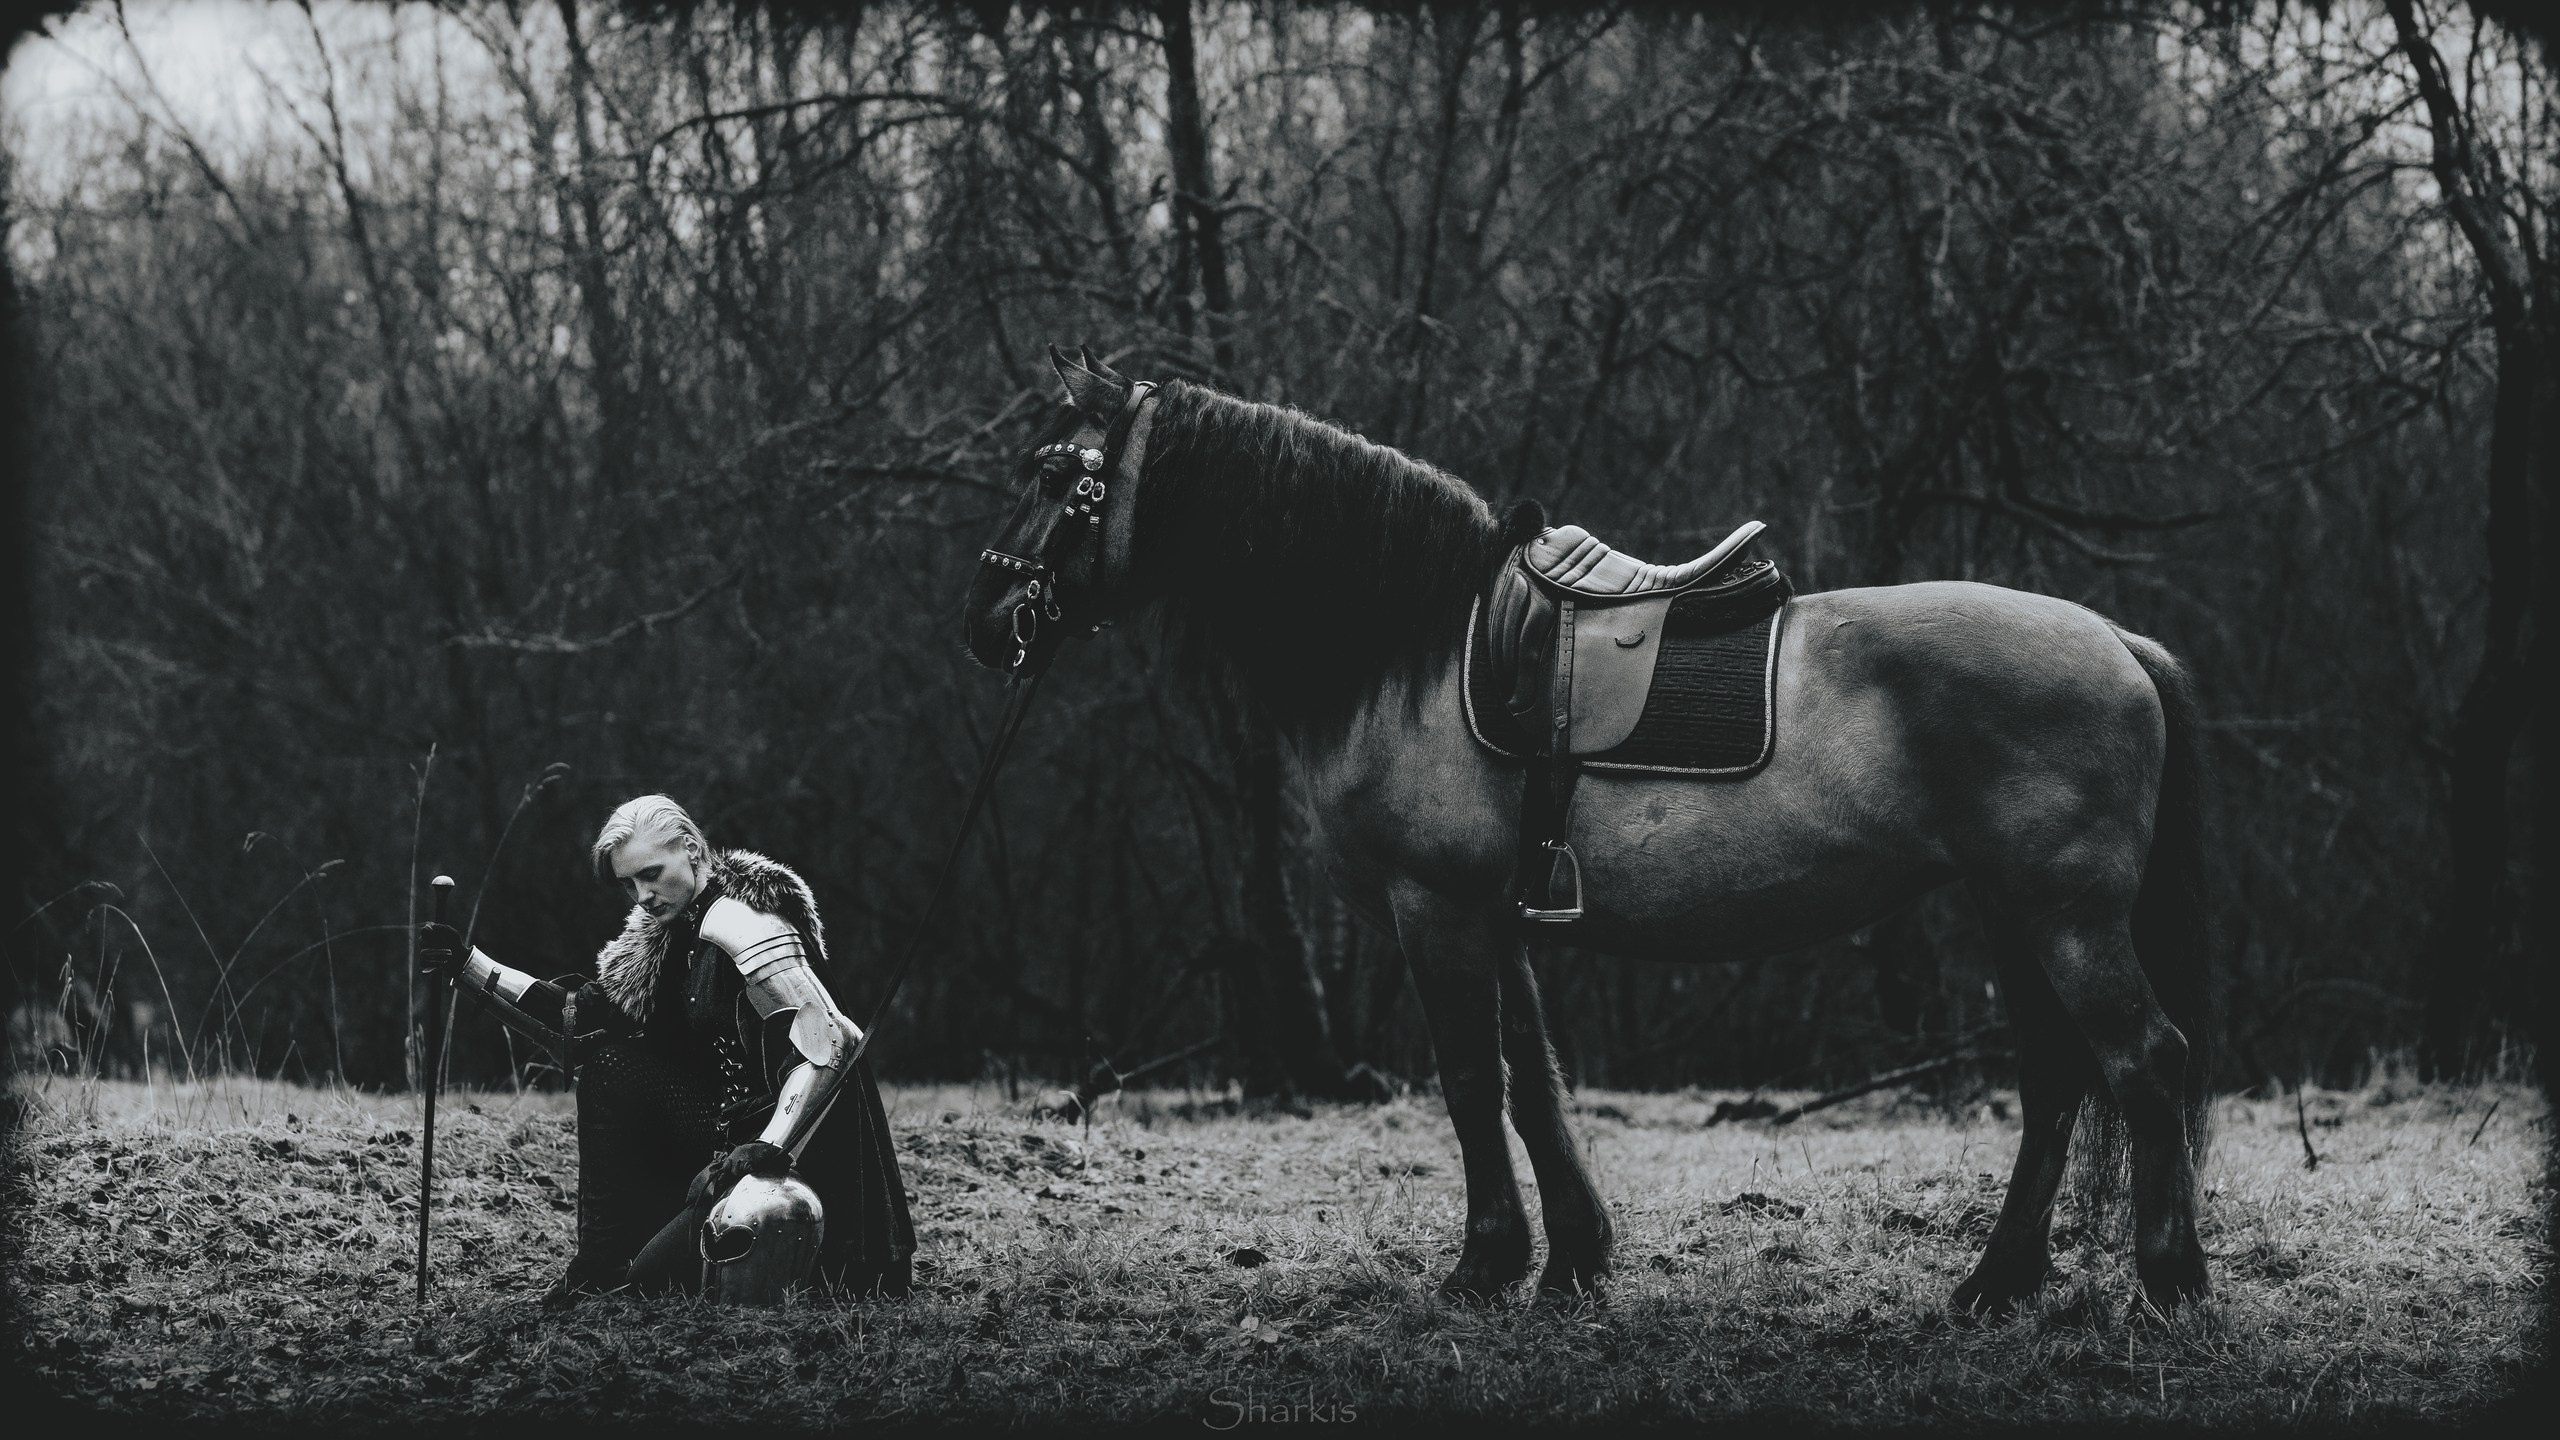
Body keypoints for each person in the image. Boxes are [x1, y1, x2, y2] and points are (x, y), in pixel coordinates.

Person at [419, 795, 914, 1304]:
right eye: (630, 883)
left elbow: (831, 1042)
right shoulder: (668, 938)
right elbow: (580, 1016)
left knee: (658, 1280)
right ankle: (602, 1261)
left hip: (804, 1159)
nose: (643, 895)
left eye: (652, 874)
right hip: (727, 1143)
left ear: (693, 849)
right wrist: (466, 964)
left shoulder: (745, 921)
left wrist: (768, 1147)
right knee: (612, 1066)